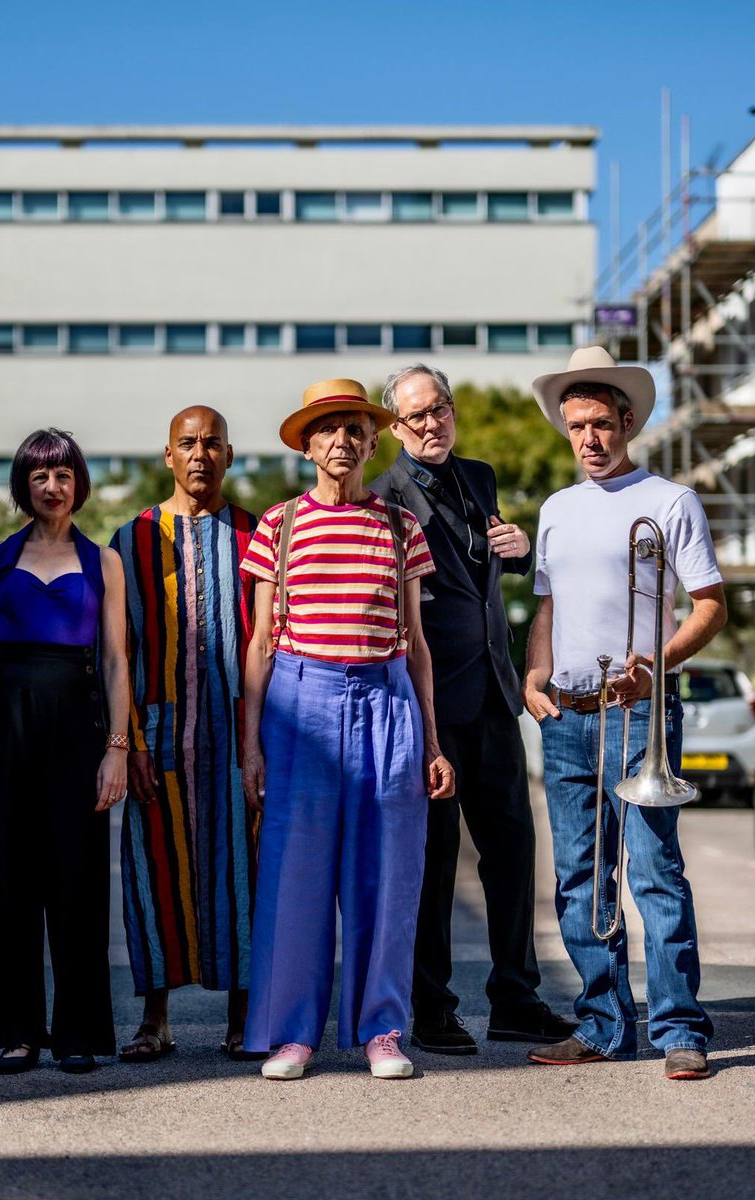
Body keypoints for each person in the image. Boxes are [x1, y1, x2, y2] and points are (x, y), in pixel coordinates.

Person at [240, 378, 455, 1080]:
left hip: (386, 700)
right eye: (327, 429)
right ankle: (293, 1032)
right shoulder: (281, 525)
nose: (341, 440)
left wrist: (430, 740)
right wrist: (251, 743)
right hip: (300, 702)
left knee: (387, 874)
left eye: (354, 429)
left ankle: (382, 1031)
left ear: (371, 441)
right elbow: (262, 642)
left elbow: (418, 644)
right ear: (307, 445)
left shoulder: (400, 527)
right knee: (295, 874)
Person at [523, 346, 726, 1081]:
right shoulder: (555, 508)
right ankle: (605, 1025)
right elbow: (548, 605)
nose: (591, 440)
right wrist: (533, 673)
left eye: (603, 424)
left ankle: (679, 1030)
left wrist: (658, 666)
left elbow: (711, 606)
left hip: (638, 714)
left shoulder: (670, 500)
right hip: (567, 715)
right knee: (579, 880)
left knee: (654, 875)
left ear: (629, 420)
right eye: (577, 428)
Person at [373, 364, 575, 1054]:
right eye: (417, 416)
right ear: (395, 427)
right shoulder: (383, 498)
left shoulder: (481, 477)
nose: (433, 424)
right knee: (432, 862)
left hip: (493, 693)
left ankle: (516, 999)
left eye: (441, 410)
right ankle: (431, 1008)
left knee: (513, 851)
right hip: (428, 705)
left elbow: (489, 564)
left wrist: (519, 552)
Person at [0, 428, 129, 1075]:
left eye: (62, 475)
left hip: (77, 722)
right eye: (39, 477)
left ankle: (76, 1031)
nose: (52, 487)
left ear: (77, 481)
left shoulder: (101, 561)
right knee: (7, 876)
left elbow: (114, 660)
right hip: (3, 722)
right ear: (24, 485)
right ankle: (17, 1030)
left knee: (77, 876)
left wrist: (118, 747)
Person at [110, 406, 260, 1061]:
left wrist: (265, 748)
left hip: (238, 740)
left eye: (212, 444)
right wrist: (129, 742)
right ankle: (154, 1019)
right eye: (187, 444)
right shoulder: (131, 539)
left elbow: (274, 645)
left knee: (243, 871)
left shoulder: (259, 537)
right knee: (154, 873)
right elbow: (117, 652)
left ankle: (243, 1015)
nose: (200, 455)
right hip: (158, 735)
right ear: (167, 456)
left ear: (230, 456)